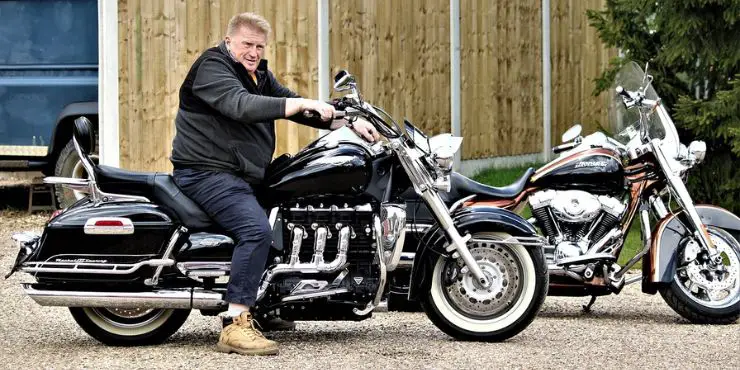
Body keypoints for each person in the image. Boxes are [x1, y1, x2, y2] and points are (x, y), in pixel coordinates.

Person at [170, 12, 378, 356]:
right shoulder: (212, 67)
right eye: (247, 44)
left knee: (285, 216)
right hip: (207, 172)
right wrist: (298, 103)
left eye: (259, 46)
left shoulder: (257, 75)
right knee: (255, 231)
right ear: (229, 41)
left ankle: (267, 305)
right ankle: (234, 324)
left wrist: (348, 123)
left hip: (241, 173)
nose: (253, 51)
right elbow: (241, 106)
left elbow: (297, 109)